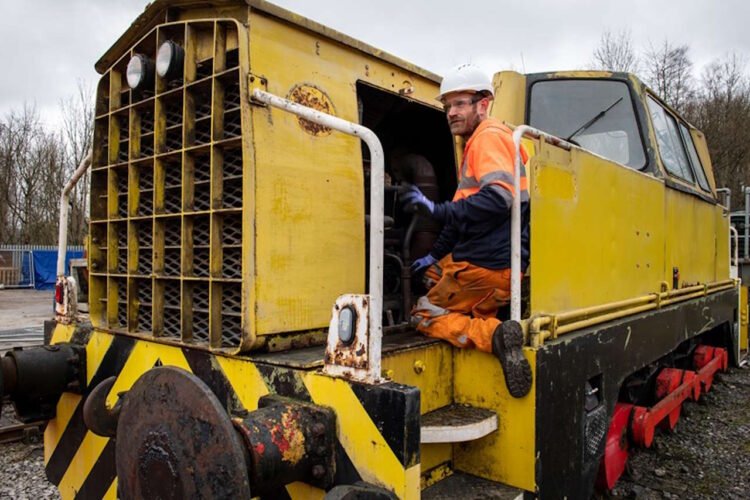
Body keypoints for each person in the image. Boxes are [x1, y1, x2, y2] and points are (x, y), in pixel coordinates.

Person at [400, 63, 532, 398]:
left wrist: (435, 209)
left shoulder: (487, 138)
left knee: (423, 312)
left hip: (487, 268)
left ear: (483, 104)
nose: (451, 113)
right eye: (447, 106)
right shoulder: (484, 143)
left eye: (460, 104)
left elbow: (497, 199)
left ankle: (496, 335)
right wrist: (434, 252)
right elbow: (466, 217)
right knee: (432, 271)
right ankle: (474, 309)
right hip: (493, 262)